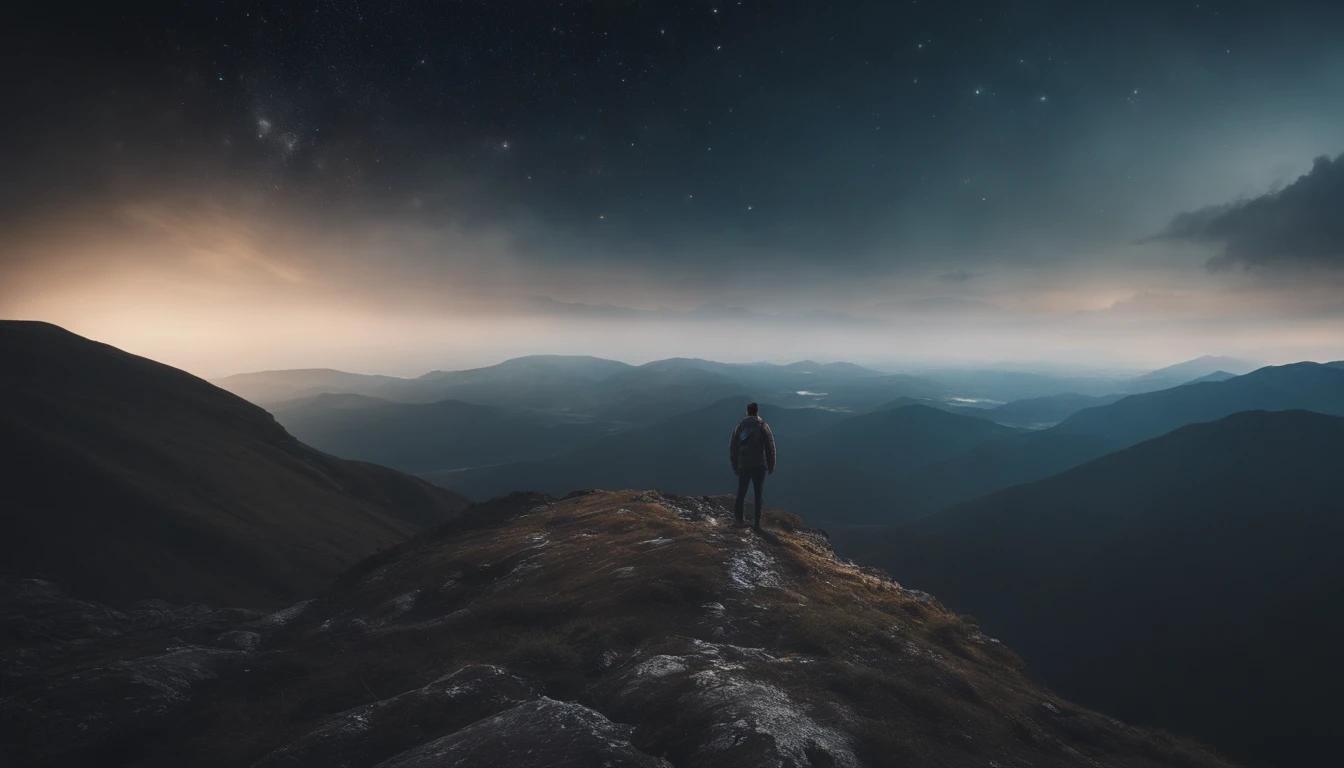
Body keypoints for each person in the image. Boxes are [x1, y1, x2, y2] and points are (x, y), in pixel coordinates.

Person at [729, 401, 776, 530]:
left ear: (747, 411)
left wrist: (735, 464)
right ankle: (757, 523)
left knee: (741, 492)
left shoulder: (740, 426)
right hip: (759, 465)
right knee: (758, 493)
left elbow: (733, 447)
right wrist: (771, 464)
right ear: (757, 411)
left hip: (743, 465)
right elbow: (769, 446)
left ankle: (739, 520)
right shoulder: (762, 426)